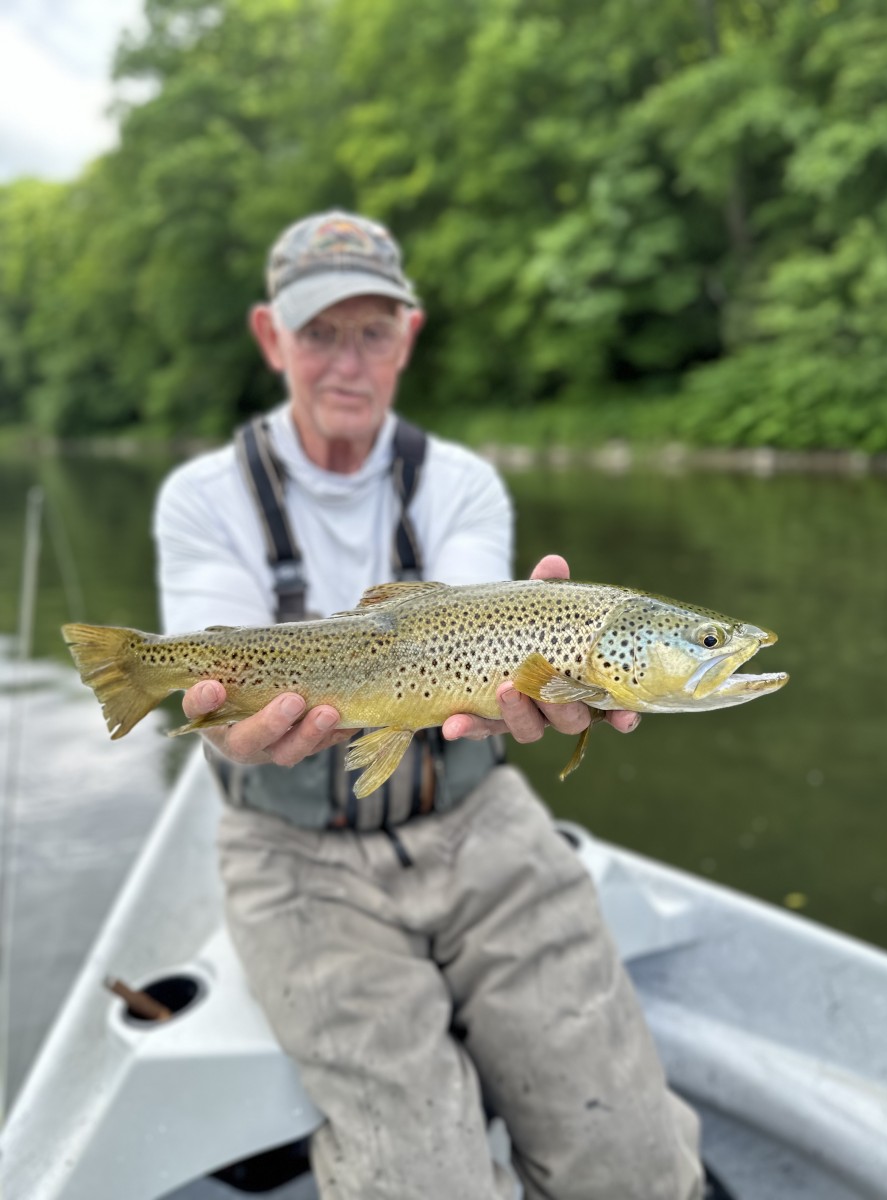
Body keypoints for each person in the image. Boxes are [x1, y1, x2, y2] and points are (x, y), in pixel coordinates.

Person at [153, 209, 704, 1199]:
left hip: (475, 817)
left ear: (407, 337)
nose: (346, 362)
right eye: (319, 332)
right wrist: (228, 726)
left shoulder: (463, 485)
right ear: (271, 337)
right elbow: (217, 673)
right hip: (291, 853)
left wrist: (532, 681)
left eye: (372, 331)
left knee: (633, 1166)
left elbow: (477, 647)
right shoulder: (202, 496)